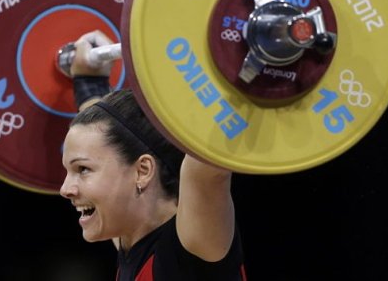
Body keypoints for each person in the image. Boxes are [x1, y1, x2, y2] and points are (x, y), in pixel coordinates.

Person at [59, 30, 247, 280]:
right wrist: (88, 84)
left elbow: (209, 164)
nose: (64, 189)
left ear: (143, 171)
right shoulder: (130, 234)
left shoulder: (194, 245)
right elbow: (107, 135)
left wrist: (250, 63)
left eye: (82, 170)